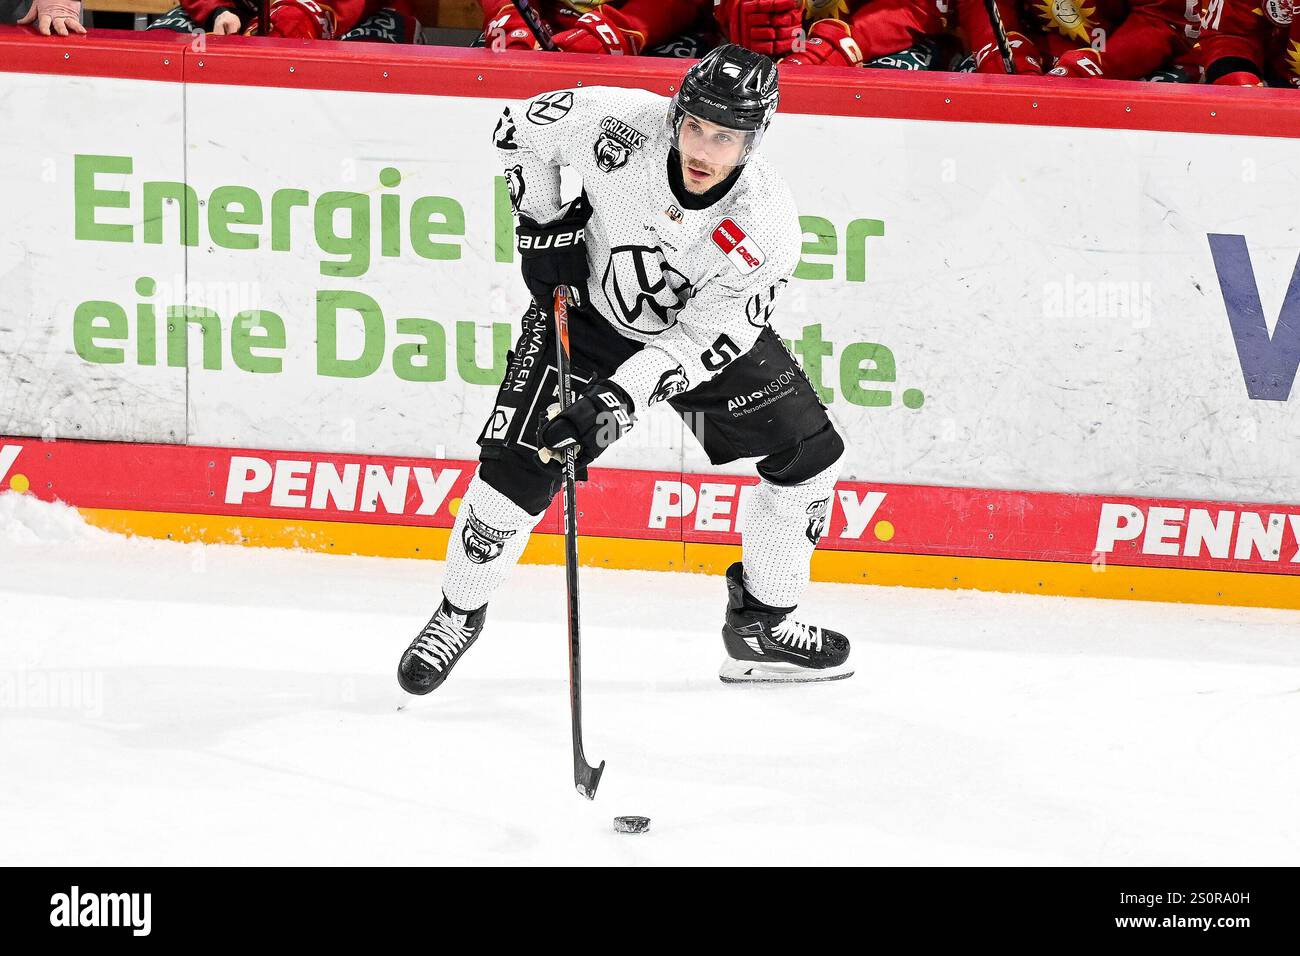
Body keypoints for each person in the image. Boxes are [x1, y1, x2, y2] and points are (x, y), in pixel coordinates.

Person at [397, 44, 853, 692]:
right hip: (585, 314)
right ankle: (457, 612)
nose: (702, 149)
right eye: (694, 125)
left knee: (810, 460)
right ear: (676, 113)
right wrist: (542, 224)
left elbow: (699, 344)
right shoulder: (618, 124)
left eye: (724, 137)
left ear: (754, 139)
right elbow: (518, 128)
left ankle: (762, 628)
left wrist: (616, 402)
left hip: (694, 339)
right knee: (519, 467)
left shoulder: (766, 226)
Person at [479, 0, 715, 58]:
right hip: (548, 26)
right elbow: (504, 6)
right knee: (498, 61)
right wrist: (513, 27)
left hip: (658, 32)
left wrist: (617, 31)